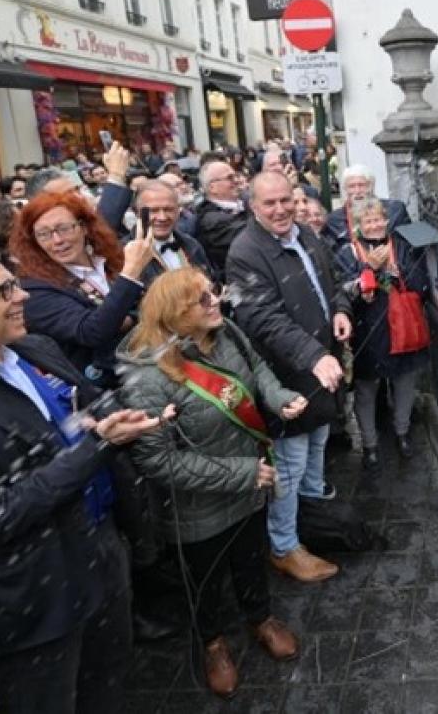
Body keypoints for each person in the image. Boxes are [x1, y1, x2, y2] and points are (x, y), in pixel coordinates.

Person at [0, 243, 167, 714]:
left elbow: (76, 407)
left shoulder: (30, 349)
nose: (21, 295)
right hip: (35, 603)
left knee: (107, 688)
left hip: (97, 557)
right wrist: (95, 447)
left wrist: (110, 420)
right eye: (3, 289)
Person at [118, 268, 311, 697]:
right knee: (204, 579)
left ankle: (260, 618)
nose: (214, 302)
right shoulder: (149, 376)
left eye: (213, 292)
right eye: (200, 299)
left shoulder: (226, 334)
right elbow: (158, 460)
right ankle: (213, 644)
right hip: (197, 505)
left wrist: (278, 398)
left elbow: (257, 370)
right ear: (172, 314)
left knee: (249, 557)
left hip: (248, 484)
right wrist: (241, 475)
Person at [227, 172, 352, 583]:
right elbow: (262, 319)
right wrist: (313, 354)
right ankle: (283, 546)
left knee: (317, 445)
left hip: (318, 369)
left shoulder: (305, 234)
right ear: (253, 206)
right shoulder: (245, 252)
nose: (281, 210)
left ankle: (312, 518)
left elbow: (329, 284)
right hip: (286, 377)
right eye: (270, 204)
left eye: (286, 200)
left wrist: (339, 311)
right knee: (290, 464)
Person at [10, 190, 153, 386]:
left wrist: (127, 318)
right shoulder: (34, 289)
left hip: (153, 358)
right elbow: (91, 331)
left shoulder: (110, 257)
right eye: (44, 234)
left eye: (64, 228)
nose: (57, 240)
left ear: (84, 228)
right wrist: (130, 275)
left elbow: (152, 302)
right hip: (110, 386)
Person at [337, 196, 429, 470]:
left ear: (387, 221)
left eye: (378, 219)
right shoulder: (348, 252)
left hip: (402, 330)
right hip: (369, 332)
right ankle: (370, 444)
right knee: (366, 392)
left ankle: (402, 432)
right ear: (358, 226)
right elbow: (343, 292)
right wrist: (370, 270)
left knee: (404, 384)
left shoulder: (401, 246)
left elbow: (420, 284)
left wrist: (395, 272)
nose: (374, 225)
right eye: (368, 221)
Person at [132, 180, 213, 287]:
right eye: (153, 211)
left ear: (178, 211)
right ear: (137, 213)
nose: (162, 217)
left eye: (168, 209)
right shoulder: (126, 255)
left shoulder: (192, 245)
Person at [324, 164, 411, 255]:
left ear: (371, 187)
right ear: (345, 190)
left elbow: (409, 247)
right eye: (352, 186)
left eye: (362, 185)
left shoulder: (395, 210)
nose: (357, 191)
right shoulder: (334, 220)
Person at [194, 159, 249, 273]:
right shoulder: (211, 220)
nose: (237, 181)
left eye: (236, 176)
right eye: (230, 178)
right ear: (212, 187)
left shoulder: (246, 202)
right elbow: (251, 235)